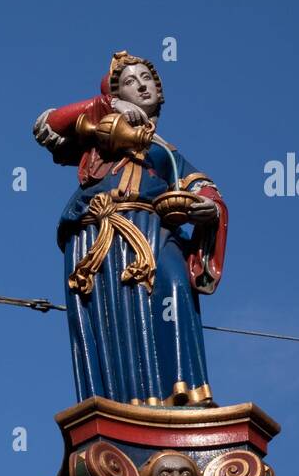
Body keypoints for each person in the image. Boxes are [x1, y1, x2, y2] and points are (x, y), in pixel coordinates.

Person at [32, 51, 227, 406]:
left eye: (147, 79)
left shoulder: (166, 151)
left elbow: (203, 186)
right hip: (97, 230)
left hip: (152, 228)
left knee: (174, 283)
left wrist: (209, 207)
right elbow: (46, 125)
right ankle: (117, 402)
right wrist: (106, 105)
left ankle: (184, 392)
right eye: (130, 82)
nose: (141, 85)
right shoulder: (100, 134)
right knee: (106, 312)